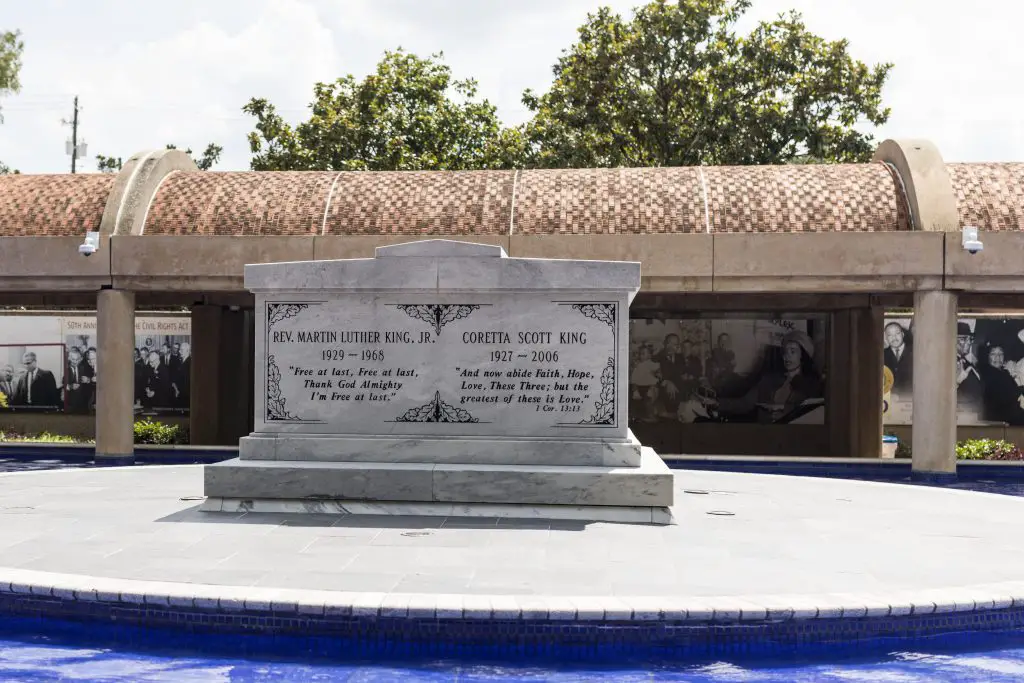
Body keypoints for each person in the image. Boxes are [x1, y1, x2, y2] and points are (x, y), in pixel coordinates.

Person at [704, 331, 824, 423]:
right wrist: (716, 403)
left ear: (803, 356)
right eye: (785, 352)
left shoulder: (811, 385)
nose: (787, 356)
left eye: (793, 352)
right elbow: (745, 403)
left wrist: (785, 412)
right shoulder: (769, 379)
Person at [979, 345, 1024, 424]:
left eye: (1001, 354)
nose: (998, 357)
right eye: (993, 354)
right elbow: (1010, 394)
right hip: (999, 421)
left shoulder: (1004, 372)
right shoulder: (987, 373)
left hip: (1009, 417)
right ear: (987, 356)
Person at [955, 322, 983, 411]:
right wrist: (957, 382)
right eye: (963, 339)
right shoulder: (946, 363)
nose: (969, 342)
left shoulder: (967, 362)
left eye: (970, 338)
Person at [64, 348, 91, 413]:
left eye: (77, 359)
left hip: (83, 406)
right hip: (69, 406)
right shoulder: (64, 369)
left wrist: (88, 380)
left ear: (80, 359)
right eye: (73, 359)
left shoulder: (84, 368)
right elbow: (61, 386)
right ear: (69, 358)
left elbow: (92, 384)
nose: (75, 362)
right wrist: (70, 387)